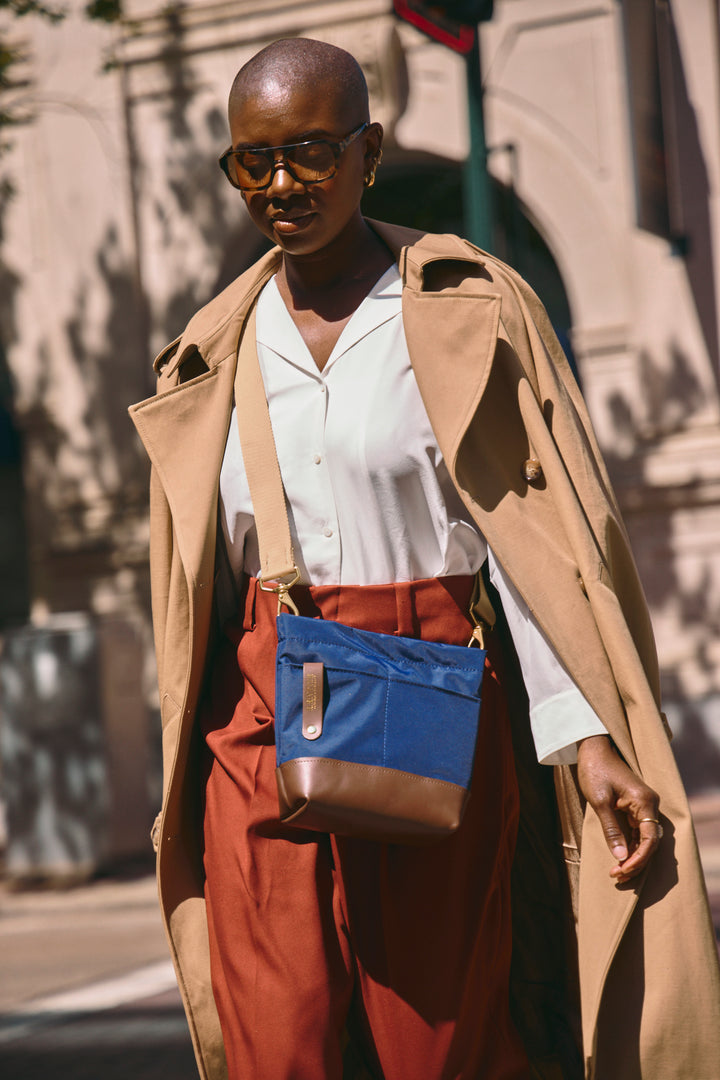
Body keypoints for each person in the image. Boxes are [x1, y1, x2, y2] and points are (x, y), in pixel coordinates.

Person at [129, 37, 720, 1080]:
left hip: (429, 689)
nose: (279, 185)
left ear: (371, 149)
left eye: (310, 152)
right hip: (261, 714)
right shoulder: (209, 349)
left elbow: (532, 548)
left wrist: (584, 734)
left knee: (437, 1045)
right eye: (251, 161)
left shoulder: (459, 309)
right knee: (275, 1041)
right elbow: (199, 588)